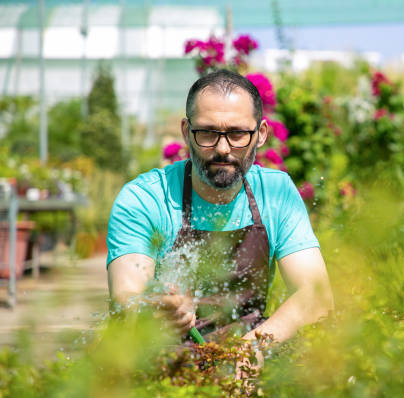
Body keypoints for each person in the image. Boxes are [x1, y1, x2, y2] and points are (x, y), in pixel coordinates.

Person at [106, 69, 334, 367]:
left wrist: (250, 347)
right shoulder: (143, 199)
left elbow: (317, 298)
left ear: (261, 134)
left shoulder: (276, 193)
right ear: (187, 132)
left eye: (238, 134)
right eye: (208, 133)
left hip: (250, 352)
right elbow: (127, 301)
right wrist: (157, 310)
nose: (223, 149)